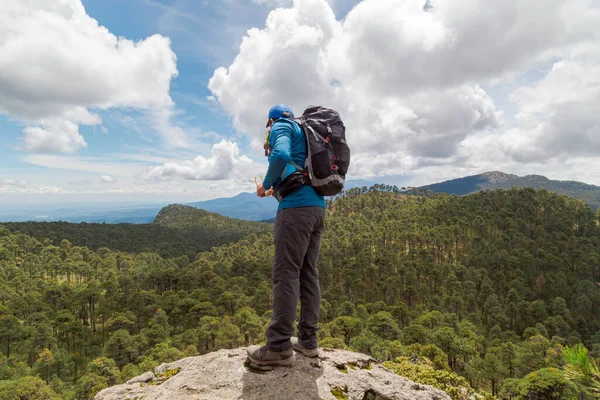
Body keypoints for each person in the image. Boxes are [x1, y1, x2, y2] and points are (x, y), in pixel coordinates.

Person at [247, 104, 326, 366]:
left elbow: (279, 154)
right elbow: (297, 167)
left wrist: (265, 185)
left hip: (295, 209)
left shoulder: (281, 125)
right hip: (317, 207)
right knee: (308, 272)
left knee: (286, 274)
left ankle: (279, 347)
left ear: (271, 121)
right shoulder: (306, 131)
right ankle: (308, 341)